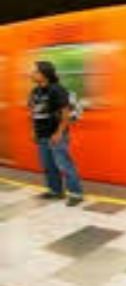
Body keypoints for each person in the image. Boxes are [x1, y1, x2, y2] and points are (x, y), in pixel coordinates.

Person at [29, 61, 84, 206]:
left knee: (64, 164)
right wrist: (34, 130)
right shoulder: (35, 91)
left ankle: (76, 193)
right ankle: (55, 191)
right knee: (48, 165)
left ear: (44, 74)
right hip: (42, 134)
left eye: (35, 71)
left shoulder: (56, 90)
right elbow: (33, 112)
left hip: (55, 134)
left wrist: (59, 132)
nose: (31, 74)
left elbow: (65, 113)